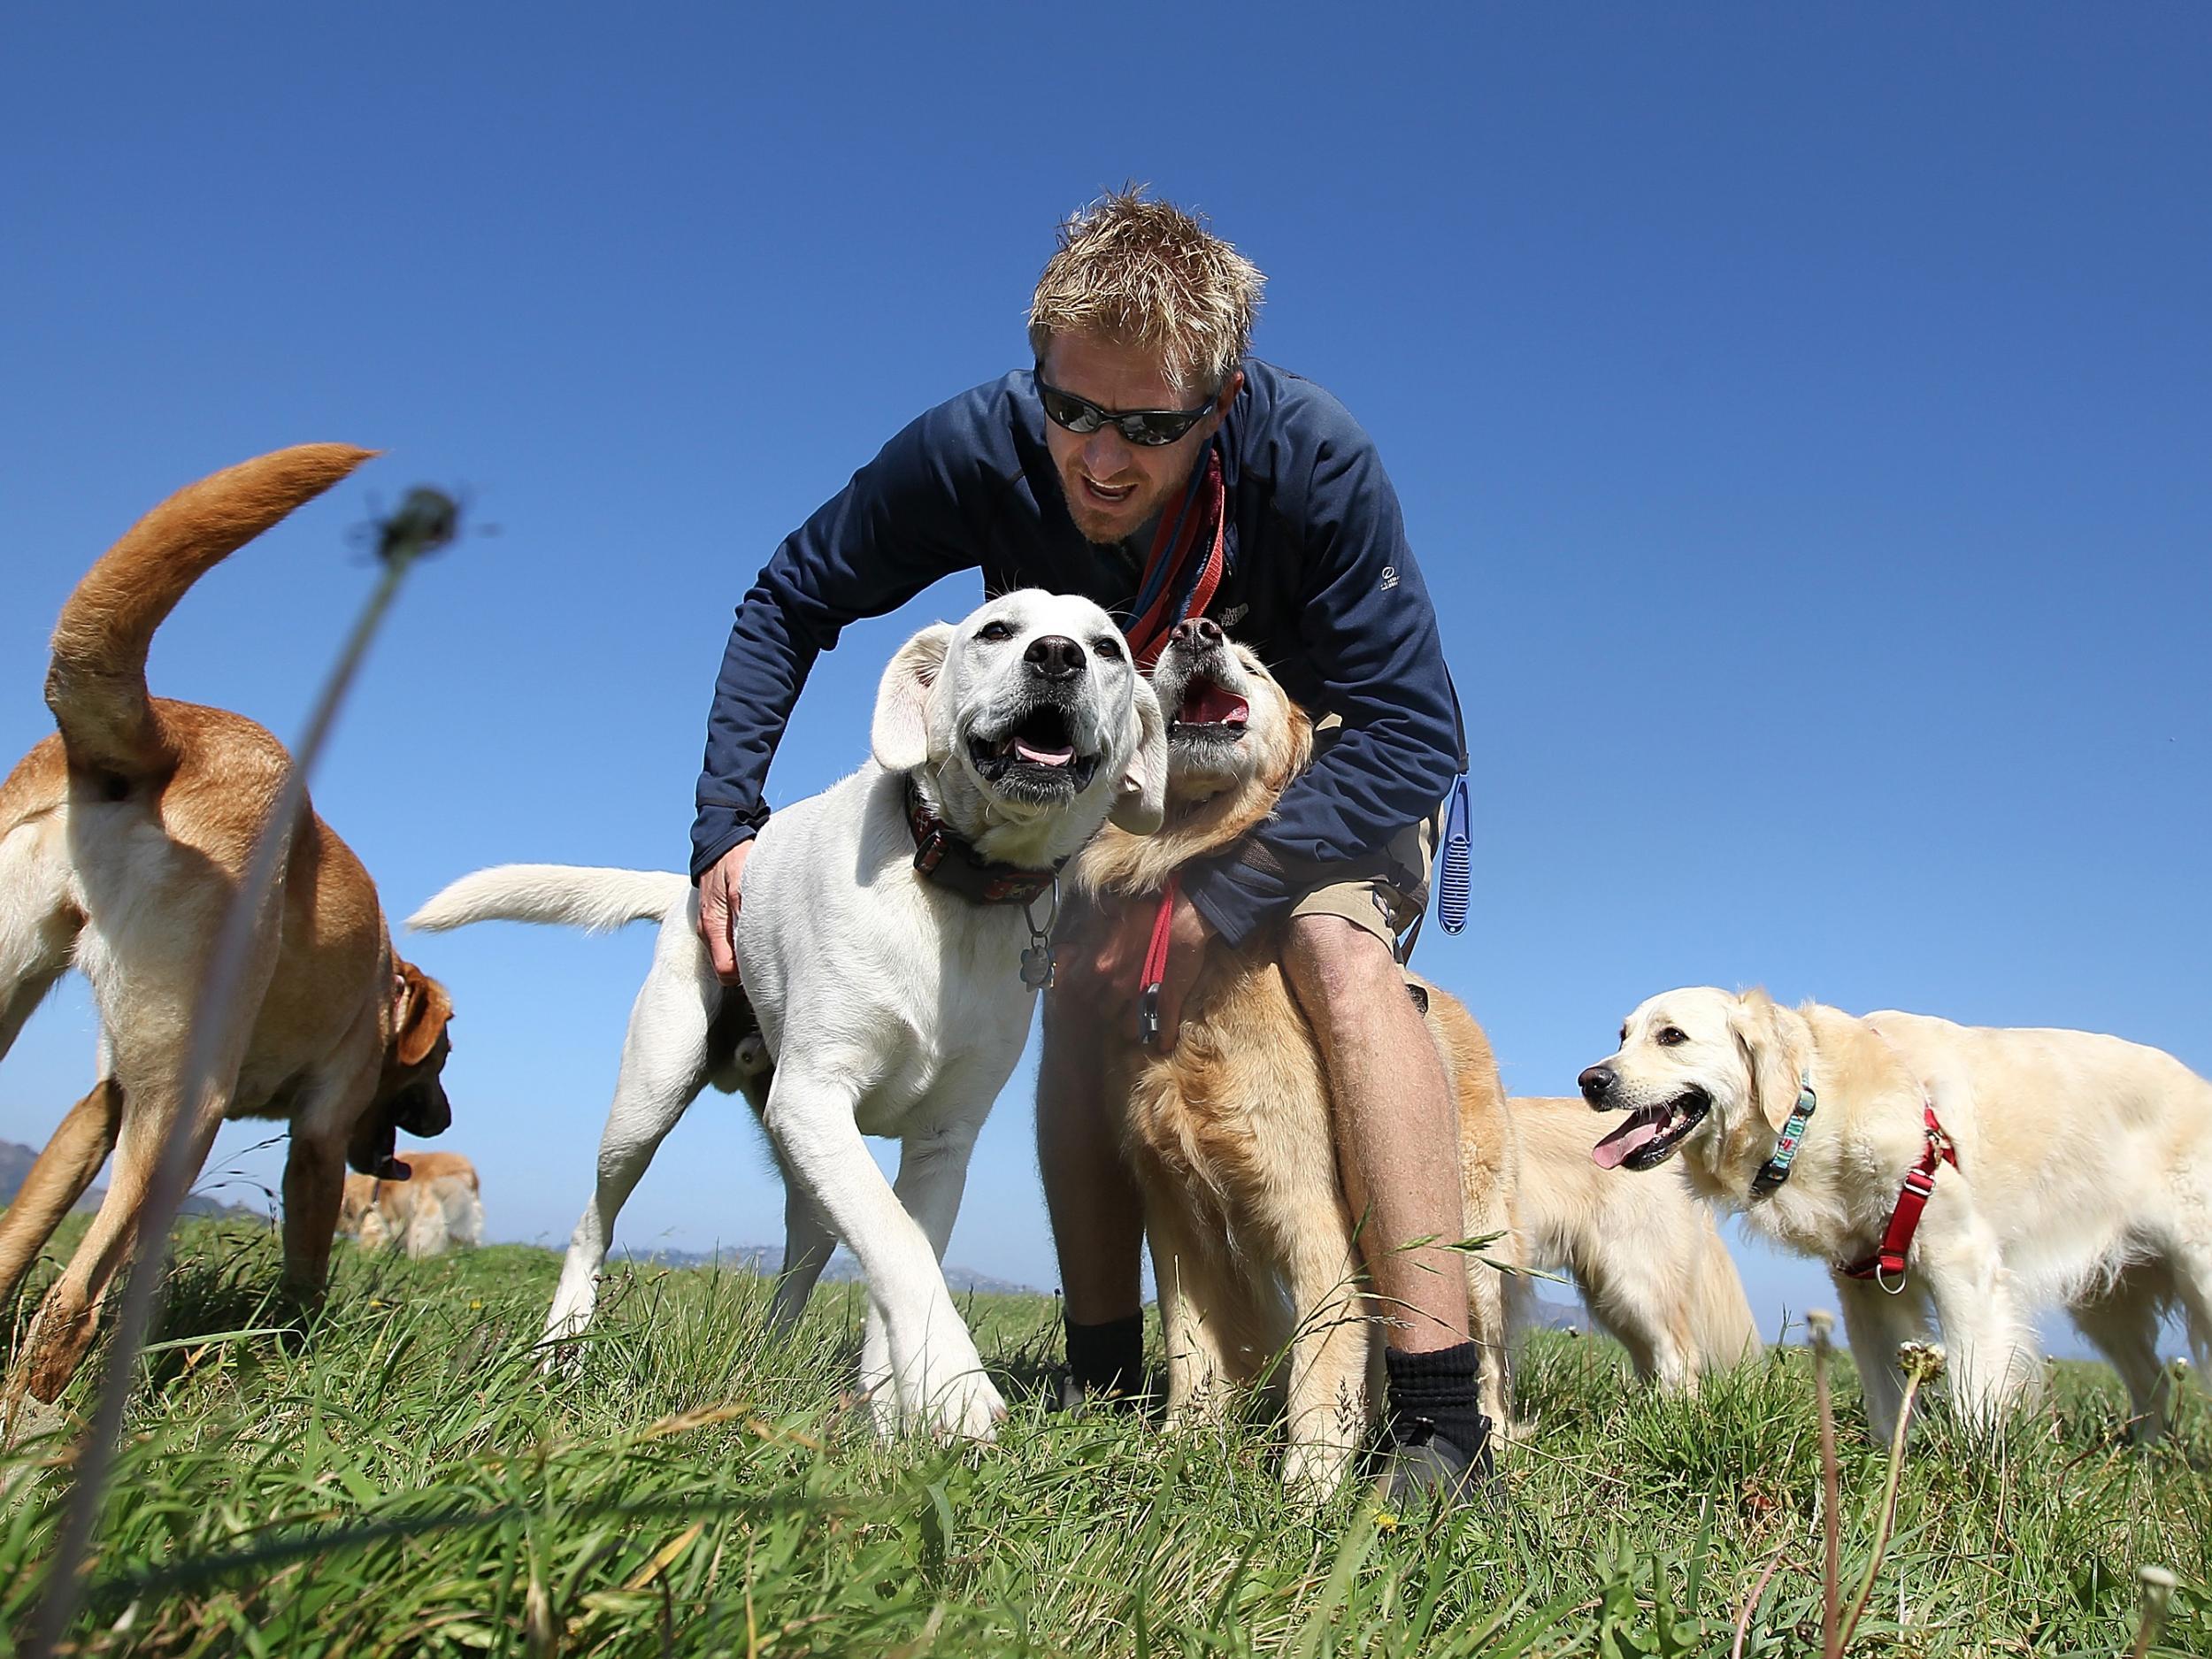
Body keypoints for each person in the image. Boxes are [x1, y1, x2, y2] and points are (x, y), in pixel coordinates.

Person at [691, 190, 1488, 1498]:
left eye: (1154, 428)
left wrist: (1227, 890)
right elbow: (791, 596)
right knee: (1072, 964)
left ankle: (1441, 1420)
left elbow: (1412, 736)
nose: (1105, 460)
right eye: (1076, 411)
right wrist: (725, 822)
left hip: (1321, 751)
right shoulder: (975, 446)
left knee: (1336, 946)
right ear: (1039, 372)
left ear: (1223, 402)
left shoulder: (1316, 459)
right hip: (1132, 780)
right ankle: (1107, 1370)